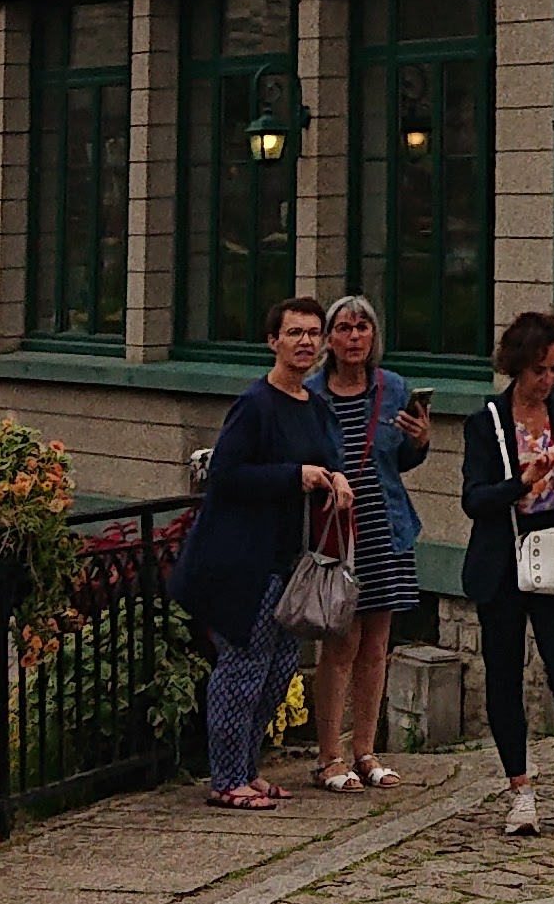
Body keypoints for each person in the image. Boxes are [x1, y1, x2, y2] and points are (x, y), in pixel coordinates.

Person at [177, 293, 349, 809]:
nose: (305, 342)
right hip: (242, 561)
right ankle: (226, 780)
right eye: (294, 333)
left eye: (313, 333)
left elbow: (325, 459)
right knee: (242, 669)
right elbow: (227, 475)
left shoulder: (315, 406)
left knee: (277, 672)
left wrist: (335, 478)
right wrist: (294, 476)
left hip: (289, 561)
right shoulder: (254, 405)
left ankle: (247, 769)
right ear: (273, 341)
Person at [462, 307, 554, 839]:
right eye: (539, 371)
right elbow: (473, 499)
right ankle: (520, 788)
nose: (548, 380)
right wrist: (520, 483)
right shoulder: (487, 421)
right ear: (517, 367)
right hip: (502, 560)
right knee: (505, 674)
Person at [312, 293, 432, 781]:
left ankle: (365, 750)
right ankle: (329, 755)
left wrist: (420, 441)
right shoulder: (313, 393)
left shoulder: (393, 388)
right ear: (329, 338)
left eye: (362, 327)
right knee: (341, 643)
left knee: (377, 644)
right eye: (344, 328)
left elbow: (399, 458)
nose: (354, 337)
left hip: (386, 526)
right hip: (335, 533)